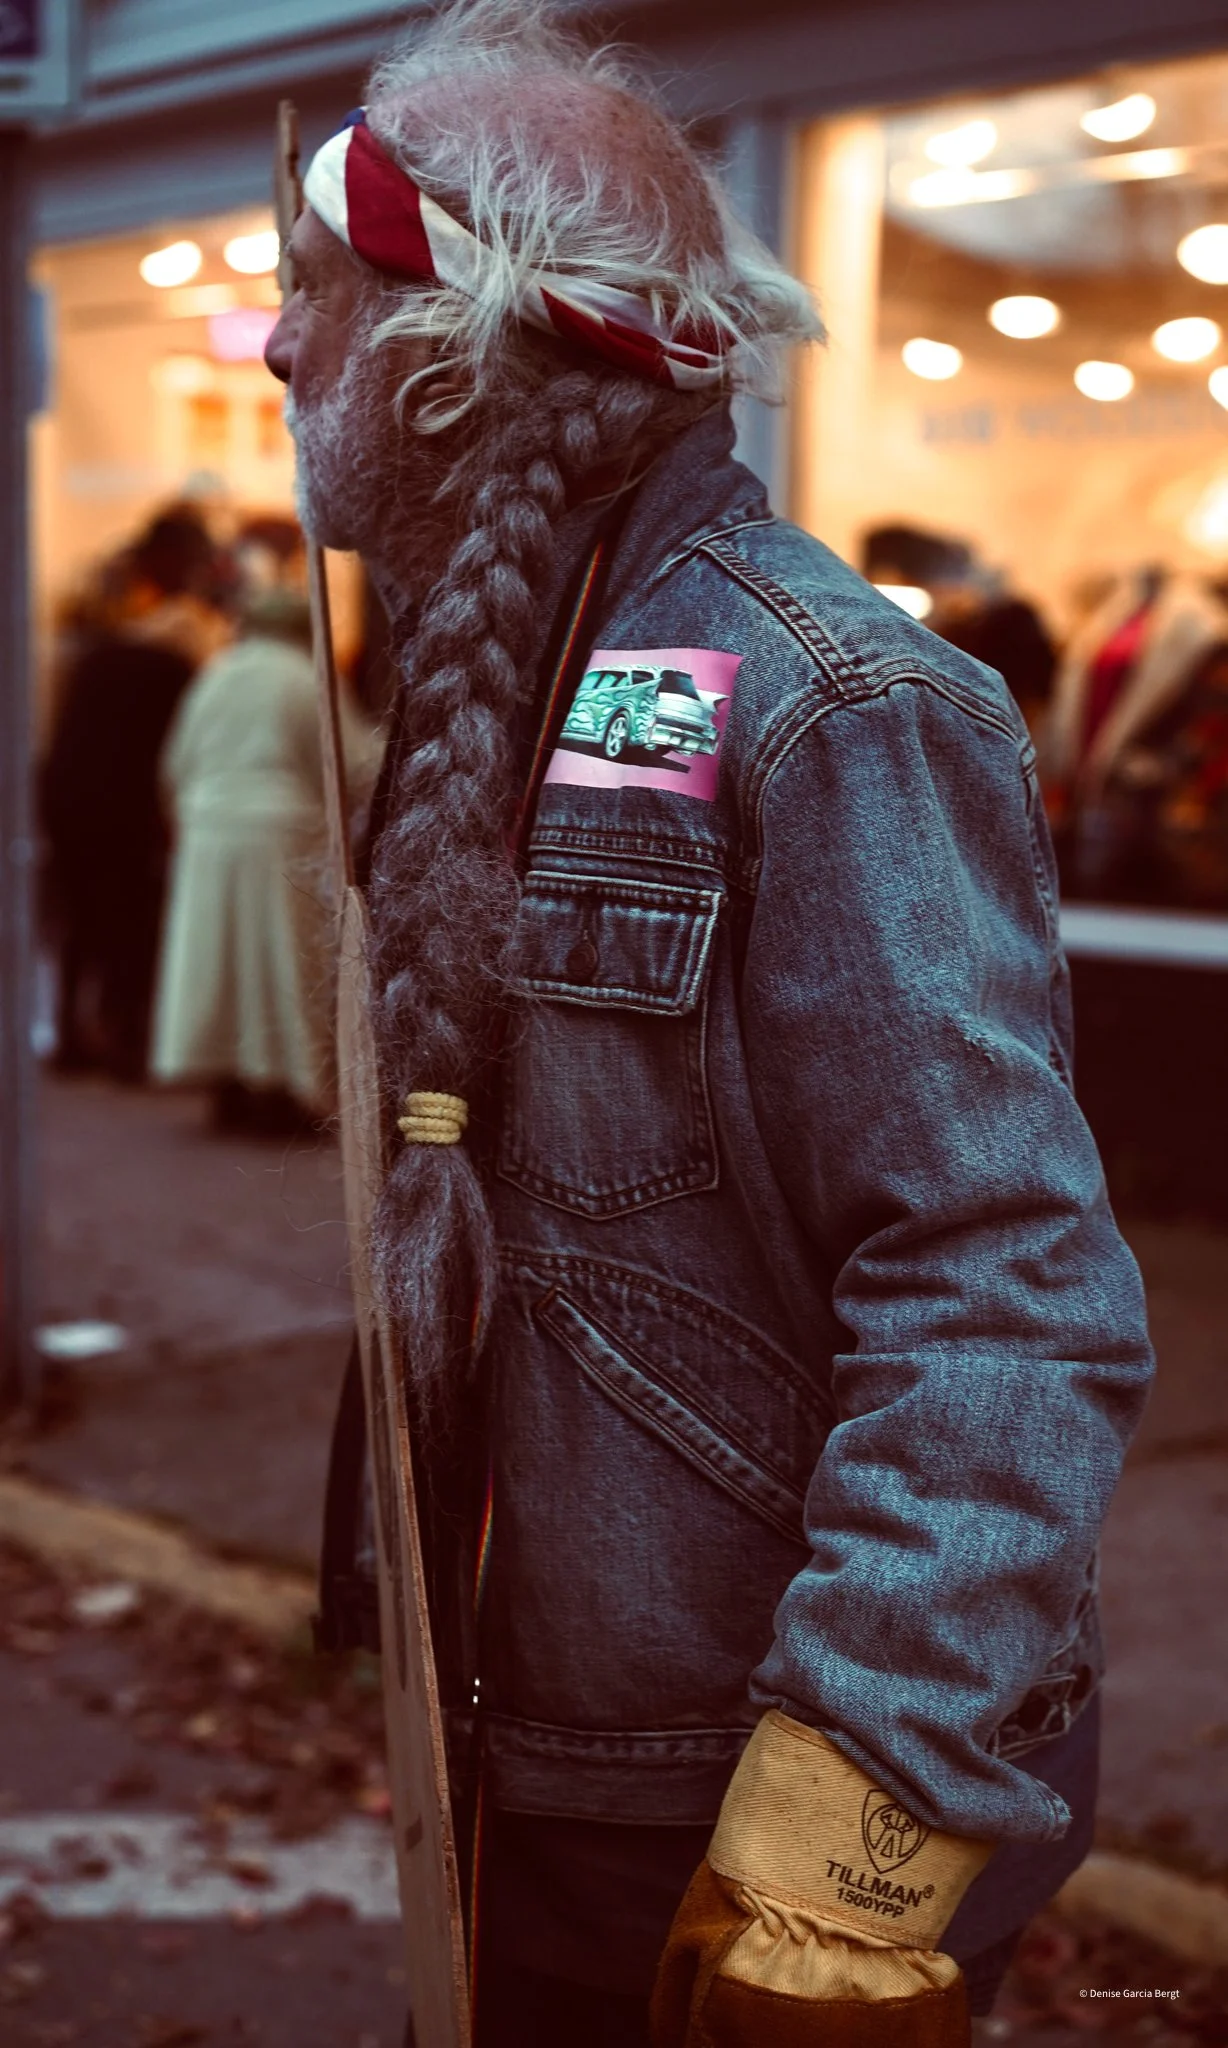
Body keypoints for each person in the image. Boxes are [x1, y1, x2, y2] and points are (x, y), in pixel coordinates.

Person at [264, 4, 1154, 2041]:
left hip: (729, 1794)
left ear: (447, 359)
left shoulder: (831, 700)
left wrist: (844, 1836)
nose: (277, 347)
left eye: (316, 289)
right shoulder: (530, 676)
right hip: (544, 1755)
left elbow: (999, 1287)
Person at [152, 588, 383, 1134]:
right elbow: (353, 763)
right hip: (282, 832)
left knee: (220, 963)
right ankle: (280, 1089)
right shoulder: (305, 676)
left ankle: (228, 1087)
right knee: (282, 961)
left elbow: (175, 764)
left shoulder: (216, 674)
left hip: (209, 831)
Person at [40, 508, 229, 1081]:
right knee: (130, 916)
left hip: (69, 793)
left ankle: (73, 1034)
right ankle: (128, 1039)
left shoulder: (104, 650)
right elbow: (182, 746)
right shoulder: (189, 650)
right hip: (122, 801)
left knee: (80, 917)